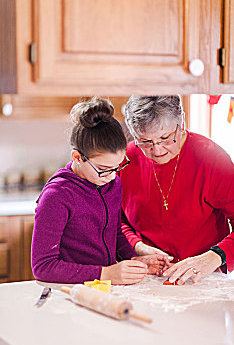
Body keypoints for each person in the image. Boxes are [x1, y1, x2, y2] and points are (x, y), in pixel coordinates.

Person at [31, 97, 170, 285]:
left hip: (102, 288)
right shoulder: (57, 196)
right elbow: (43, 267)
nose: (111, 177)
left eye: (116, 168)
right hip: (68, 293)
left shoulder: (112, 184)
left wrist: (133, 260)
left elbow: (114, 234)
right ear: (77, 157)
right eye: (103, 169)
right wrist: (106, 274)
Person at [120, 95, 234, 285]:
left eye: (165, 138)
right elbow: (115, 220)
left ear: (181, 121)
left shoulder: (213, 159)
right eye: (145, 142)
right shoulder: (124, 159)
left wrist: (214, 257)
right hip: (143, 276)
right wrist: (139, 247)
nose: (157, 151)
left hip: (204, 279)